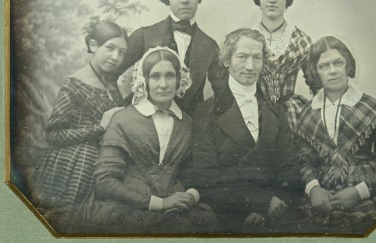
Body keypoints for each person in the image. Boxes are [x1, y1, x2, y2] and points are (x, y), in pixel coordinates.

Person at [75, 47, 216, 234]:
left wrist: (190, 196)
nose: (164, 84)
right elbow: (105, 182)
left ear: (179, 80)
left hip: (177, 206)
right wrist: (161, 203)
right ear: (144, 81)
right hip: (128, 207)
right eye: (155, 76)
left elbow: (196, 174)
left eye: (170, 76)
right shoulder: (123, 120)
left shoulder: (187, 123)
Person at [191, 29, 301, 233]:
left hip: (276, 214)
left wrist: (275, 205)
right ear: (226, 60)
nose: (250, 66)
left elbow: (289, 168)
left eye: (257, 58)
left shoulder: (276, 112)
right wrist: (258, 204)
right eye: (242, 57)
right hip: (229, 217)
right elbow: (206, 177)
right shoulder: (206, 113)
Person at [296, 36, 376, 233]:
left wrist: (360, 191)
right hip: (323, 196)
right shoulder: (307, 113)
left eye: (338, 62)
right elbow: (302, 161)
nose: (332, 71)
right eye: (324, 66)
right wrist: (313, 188)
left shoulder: (371, 108)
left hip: (366, 192)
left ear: (348, 65)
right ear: (315, 72)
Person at [32, 21, 128, 231]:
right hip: (71, 167)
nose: (116, 57)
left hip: (104, 163)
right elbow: (54, 134)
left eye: (122, 52)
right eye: (110, 48)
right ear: (93, 45)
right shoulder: (74, 84)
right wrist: (99, 127)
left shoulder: (112, 82)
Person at [119, 0, 225, 116]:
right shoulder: (144, 35)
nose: (184, 0)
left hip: (190, 127)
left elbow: (223, 93)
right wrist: (120, 109)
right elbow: (110, 74)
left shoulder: (209, 46)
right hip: (145, 123)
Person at [252, 0, 315, 131]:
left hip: (291, 113)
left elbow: (317, 84)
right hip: (253, 112)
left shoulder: (301, 39)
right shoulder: (247, 38)